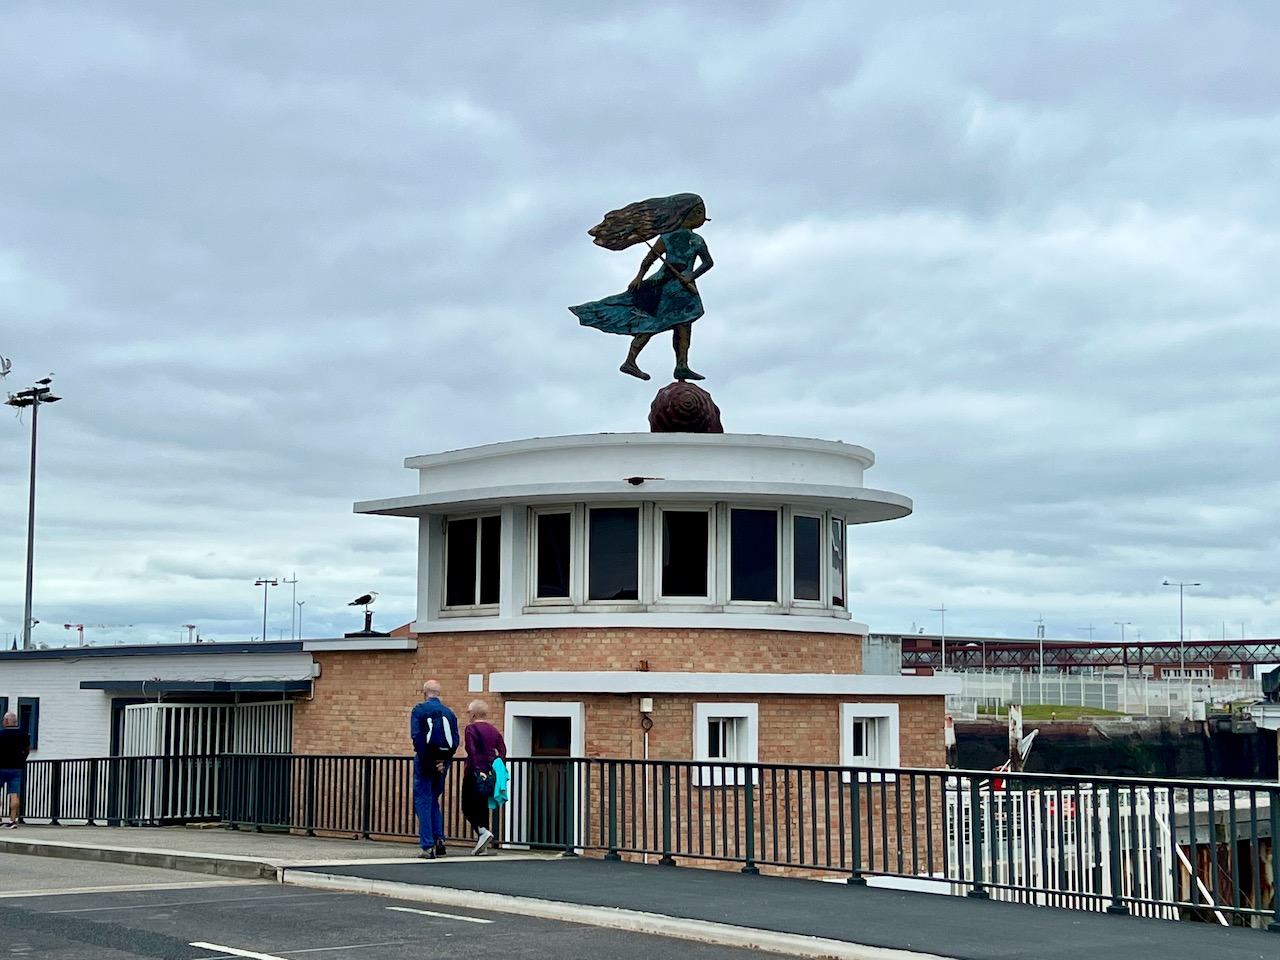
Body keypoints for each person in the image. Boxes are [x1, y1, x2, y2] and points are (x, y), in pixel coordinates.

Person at [570, 193, 714, 382]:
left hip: (684, 290)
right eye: (699, 213)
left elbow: (708, 263)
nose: (702, 218)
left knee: (684, 325)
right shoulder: (668, 237)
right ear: (687, 213)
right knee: (652, 322)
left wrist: (690, 276)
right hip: (663, 287)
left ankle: (682, 365)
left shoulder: (696, 241)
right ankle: (630, 361)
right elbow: (650, 259)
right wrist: (639, 277)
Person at [409, 680, 459, 859]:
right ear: (439, 693)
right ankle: (439, 839)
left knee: (423, 800)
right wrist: (443, 762)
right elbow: (455, 741)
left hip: (424, 762)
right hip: (442, 764)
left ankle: (427, 846)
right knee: (433, 800)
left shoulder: (419, 710)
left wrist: (429, 763)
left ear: (424, 693)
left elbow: (417, 738)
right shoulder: (449, 713)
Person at [461, 700, 507, 855]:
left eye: (469, 712)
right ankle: (484, 846)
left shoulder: (471, 729)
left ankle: (482, 831)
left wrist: (477, 770)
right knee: (482, 807)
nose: (468, 715)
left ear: (473, 714)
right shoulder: (493, 730)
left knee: (467, 806)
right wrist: (496, 767)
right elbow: (502, 750)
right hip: (490, 773)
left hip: (474, 772)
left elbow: (471, 750)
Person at [0, 712, 30, 829]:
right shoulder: (23, 735)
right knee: (14, 794)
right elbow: (27, 750)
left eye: (3, 720)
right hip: (17, 767)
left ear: (7, 721)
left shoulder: (1, 734)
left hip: (1, 767)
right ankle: (13, 820)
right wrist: (22, 759)